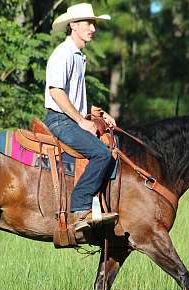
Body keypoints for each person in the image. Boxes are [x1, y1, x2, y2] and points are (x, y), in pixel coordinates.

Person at [44, 3, 118, 232]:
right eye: (88, 23)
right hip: (60, 120)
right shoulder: (63, 53)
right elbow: (56, 91)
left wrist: (97, 112)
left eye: (94, 23)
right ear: (73, 25)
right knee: (102, 154)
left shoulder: (78, 56)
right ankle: (81, 207)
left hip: (69, 117)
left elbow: (74, 96)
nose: (93, 28)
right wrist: (81, 121)